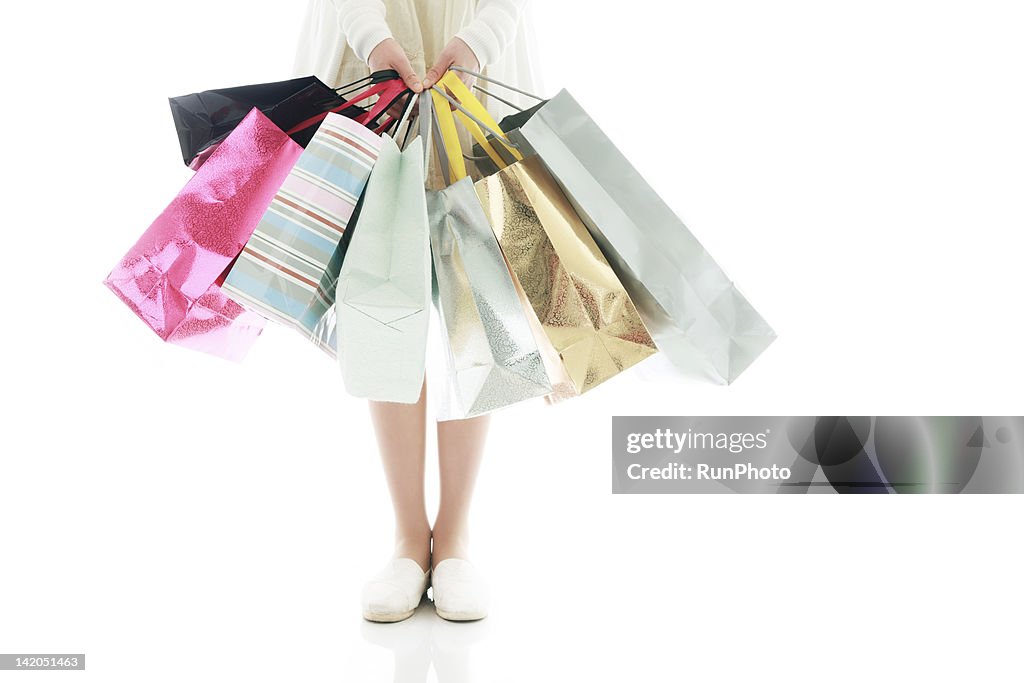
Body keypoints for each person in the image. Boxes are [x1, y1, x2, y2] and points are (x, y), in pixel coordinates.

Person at [293, 0, 537, 623]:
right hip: (374, 50)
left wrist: (485, 37)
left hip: (475, 48)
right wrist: (372, 38)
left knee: (476, 293)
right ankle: (408, 537)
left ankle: (453, 536)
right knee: (383, 292)